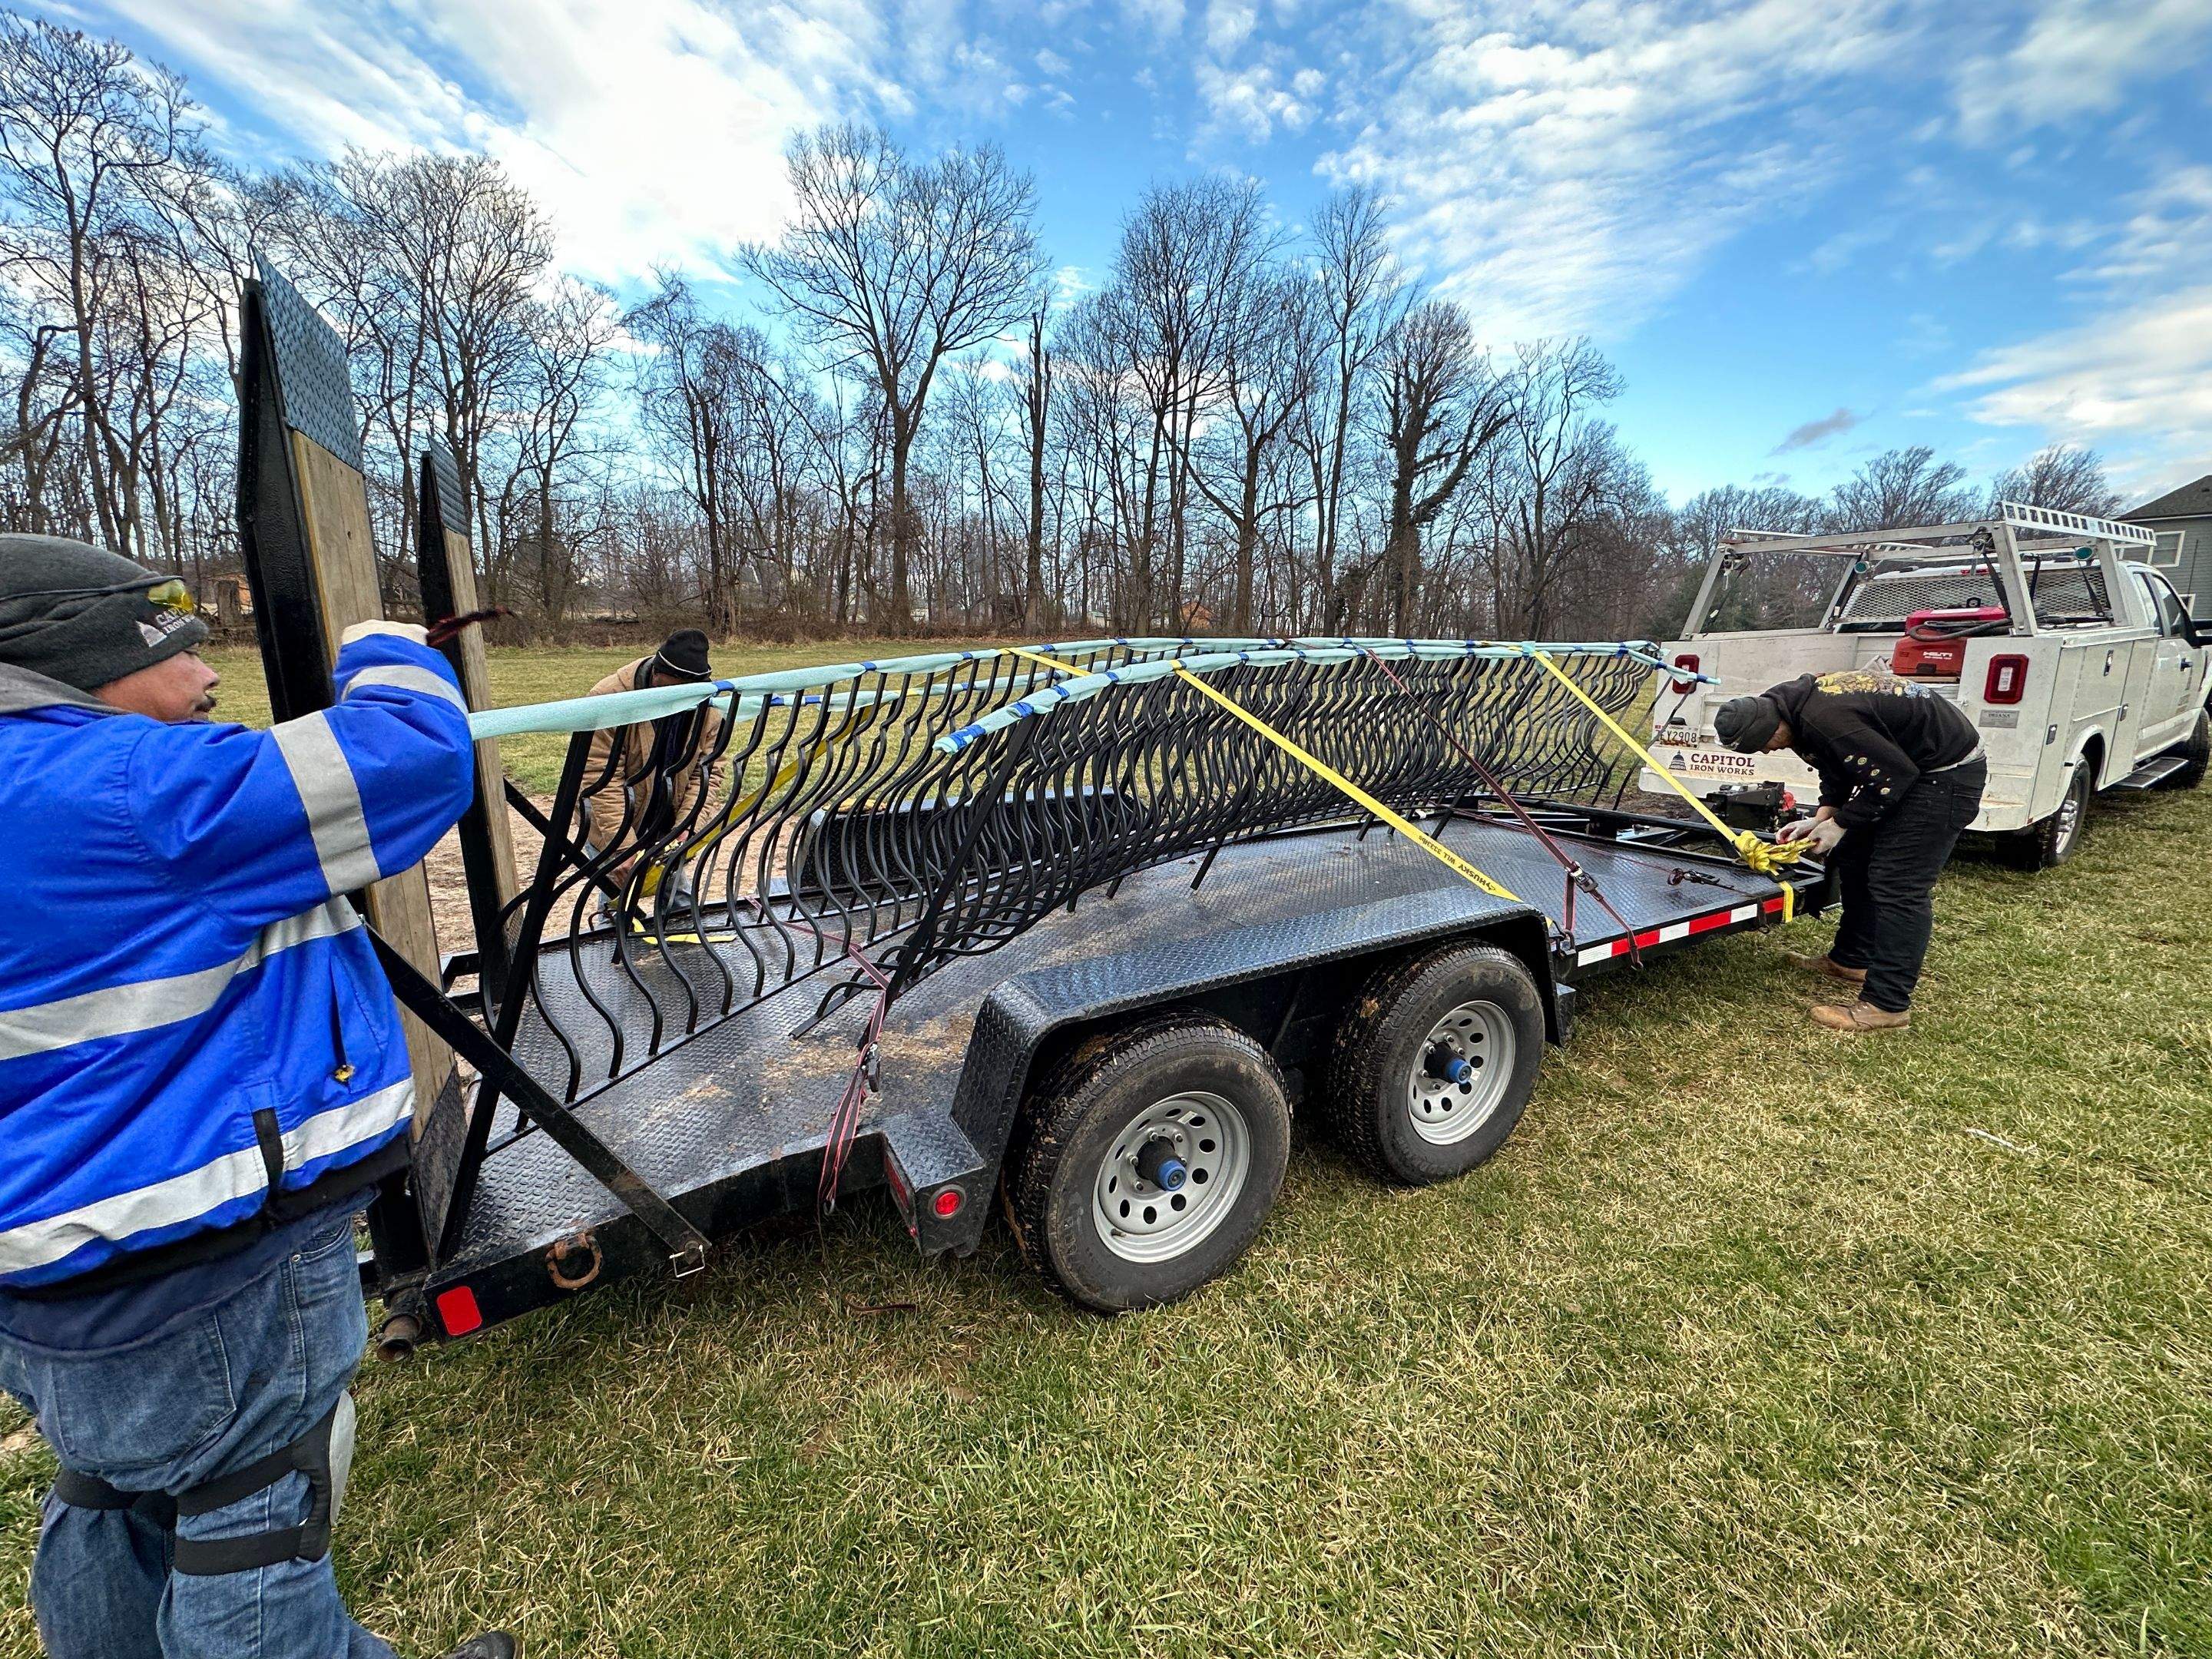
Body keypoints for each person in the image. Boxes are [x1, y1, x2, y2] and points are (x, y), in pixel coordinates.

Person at [0, 535, 514, 1659]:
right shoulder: (130, 787)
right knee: (252, 1513)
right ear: (67, 663)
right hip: (201, 1256)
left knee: (107, 1488)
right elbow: (412, 759)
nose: (203, 678)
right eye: (171, 649)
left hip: (44, 1266)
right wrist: (385, 643)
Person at [1714, 667, 1987, 1034]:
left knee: (1898, 885)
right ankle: (1851, 961)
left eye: (1764, 742)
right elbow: (1837, 763)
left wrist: (1840, 824)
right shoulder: (1790, 709)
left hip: (1943, 774)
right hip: (1912, 768)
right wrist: (1823, 817)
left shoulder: (1827, 715)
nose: (1767, 749)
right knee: (1852, 859)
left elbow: (1894, 776)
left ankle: (1887, 1005)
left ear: (1772, 725)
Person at [579, 629, 724, 907]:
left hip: (667, 820)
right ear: (656, 674)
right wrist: (622, 846)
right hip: (614, 822)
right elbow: (600, 778)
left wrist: (688, 826)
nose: (675, 703)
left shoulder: (708, 706)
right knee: (617, 908)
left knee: (679, 905)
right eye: (669, 692)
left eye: (684, 697)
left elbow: (707, 772)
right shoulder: (608, 699)